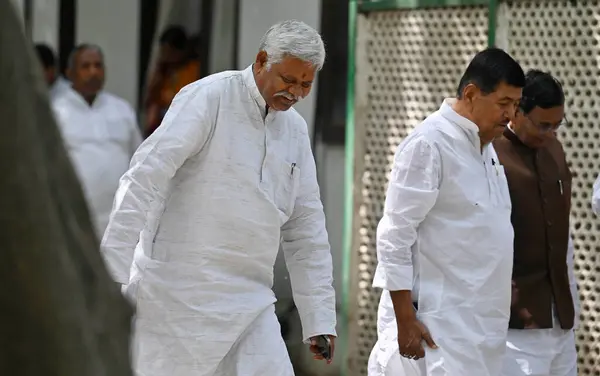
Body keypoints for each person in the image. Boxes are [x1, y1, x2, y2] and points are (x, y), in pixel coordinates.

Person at [100, 20, 336, 376]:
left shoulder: (295, 131)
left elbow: (306, 229)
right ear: (260, 61)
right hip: (176, 296)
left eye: (306, 84)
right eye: (288, 80)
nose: (296, 93)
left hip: (251, 303)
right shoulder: (209, 98)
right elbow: (143, 178)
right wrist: (109, 276)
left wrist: (319, 317)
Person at [367, 47, 525, 376]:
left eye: (515, 105)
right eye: (503, 103)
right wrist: (405, 321)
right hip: (435, 333)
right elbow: (394, 236)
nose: (511, 116)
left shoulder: (487, 149)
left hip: (481, 335)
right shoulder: (430, 144)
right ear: (470, 94)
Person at [493, 70, 579, 376]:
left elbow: (562, 238)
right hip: (517, 325)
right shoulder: (493, 155)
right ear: (517, 112)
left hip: (561, 319)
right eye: (544, 124)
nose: (551, 132)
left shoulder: (554, 150)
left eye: (557, 124)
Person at [52, 44, 142, 238]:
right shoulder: (56, 112)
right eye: (85, 66)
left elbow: (139, 159)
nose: (93, 72)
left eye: (98, 66)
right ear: (70, 73)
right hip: (73, 218)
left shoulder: (122, 109)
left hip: (118, 220)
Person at [143, 25, 201, 137]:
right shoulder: (164, 71)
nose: (165, 56)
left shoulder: (193, 70)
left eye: (168, 52)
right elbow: (150, 99)